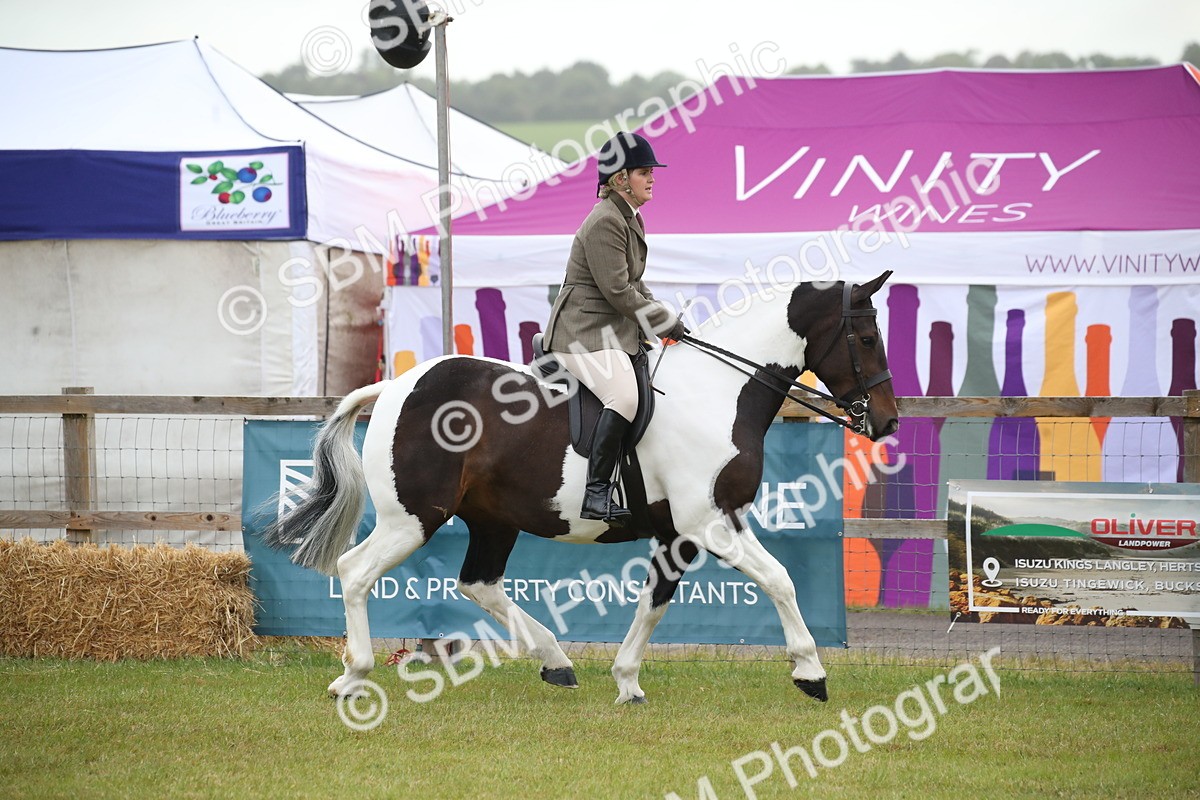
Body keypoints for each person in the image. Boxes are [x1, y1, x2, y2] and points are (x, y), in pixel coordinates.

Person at [542, 132, 689, 525]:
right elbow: (619, 291)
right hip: (582, 331)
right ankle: (596, 494)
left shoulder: (628, 217)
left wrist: (668, 321)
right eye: (644, 172)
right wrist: (664, 322)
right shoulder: (606, 221)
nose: (652, 178)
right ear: (621, 178)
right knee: (624, 398)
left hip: (610, 329)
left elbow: (636, 285)